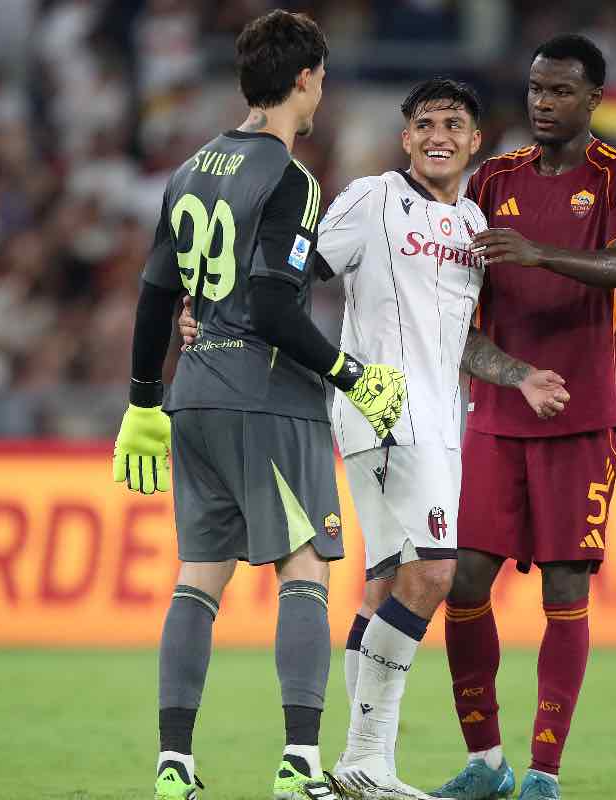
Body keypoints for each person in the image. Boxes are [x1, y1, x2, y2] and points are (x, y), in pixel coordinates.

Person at [178, 77, 571, 800]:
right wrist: (209, 310)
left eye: (454, 123)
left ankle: (359, 764)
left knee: (387, 584)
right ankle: (367, 759)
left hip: (439, 422)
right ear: (407, 138)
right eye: (425, 123)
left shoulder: (474, 228)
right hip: (384, 411)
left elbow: (460, 341)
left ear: (476, 140)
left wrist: (516, 376)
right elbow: (290, 275)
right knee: (436, 574)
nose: (439, 135)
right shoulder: (372, 199)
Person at [110, 11, 407, 800]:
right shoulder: (291, 177)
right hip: (268, 396)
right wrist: (351, 374)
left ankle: (174, 763)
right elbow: (277, 310)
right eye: (322, 78)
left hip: (194, 396)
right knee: (304, 568)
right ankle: (300, 763)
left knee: (198, 577)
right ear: (307, 77)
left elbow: (153, 295)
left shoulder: (190, 168)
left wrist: (145, 397)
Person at [432, 34, 616, 800]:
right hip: (497, 413)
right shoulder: (492, 178)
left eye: (560, 91)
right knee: (463, 582)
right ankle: (484, 761)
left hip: (582, 414)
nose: (542, 103)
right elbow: (452, 294)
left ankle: (543, 773)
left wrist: (536, 254)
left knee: (566, 592)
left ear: (594, 98)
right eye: (535, 89)